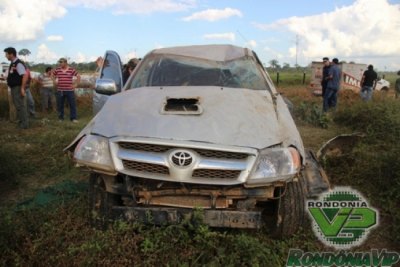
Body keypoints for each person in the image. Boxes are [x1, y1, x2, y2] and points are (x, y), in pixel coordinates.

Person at [4, 47, 29, 129]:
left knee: (20, 106)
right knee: (18, 105)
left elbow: (25, 75)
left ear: (11, 54)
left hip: (17, 88)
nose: (5, 56)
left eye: (6, 54)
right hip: (14, 88)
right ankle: (22, 121)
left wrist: (22, 88)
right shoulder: (13, 63)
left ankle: (24, 124)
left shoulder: (18, 63)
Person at [53, 58, 81, 122]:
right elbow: (52, 75)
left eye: (61, 62)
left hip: (69, 90)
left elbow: (78, 76)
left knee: (72, 104)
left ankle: (73, 118)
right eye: (59, 62)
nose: (60, 63)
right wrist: (54, 81)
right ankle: (61, 118)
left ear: (65, 63)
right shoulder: (57, 70)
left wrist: (75, 85)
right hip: (60, 90)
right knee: (60, 105)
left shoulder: (71, 70)